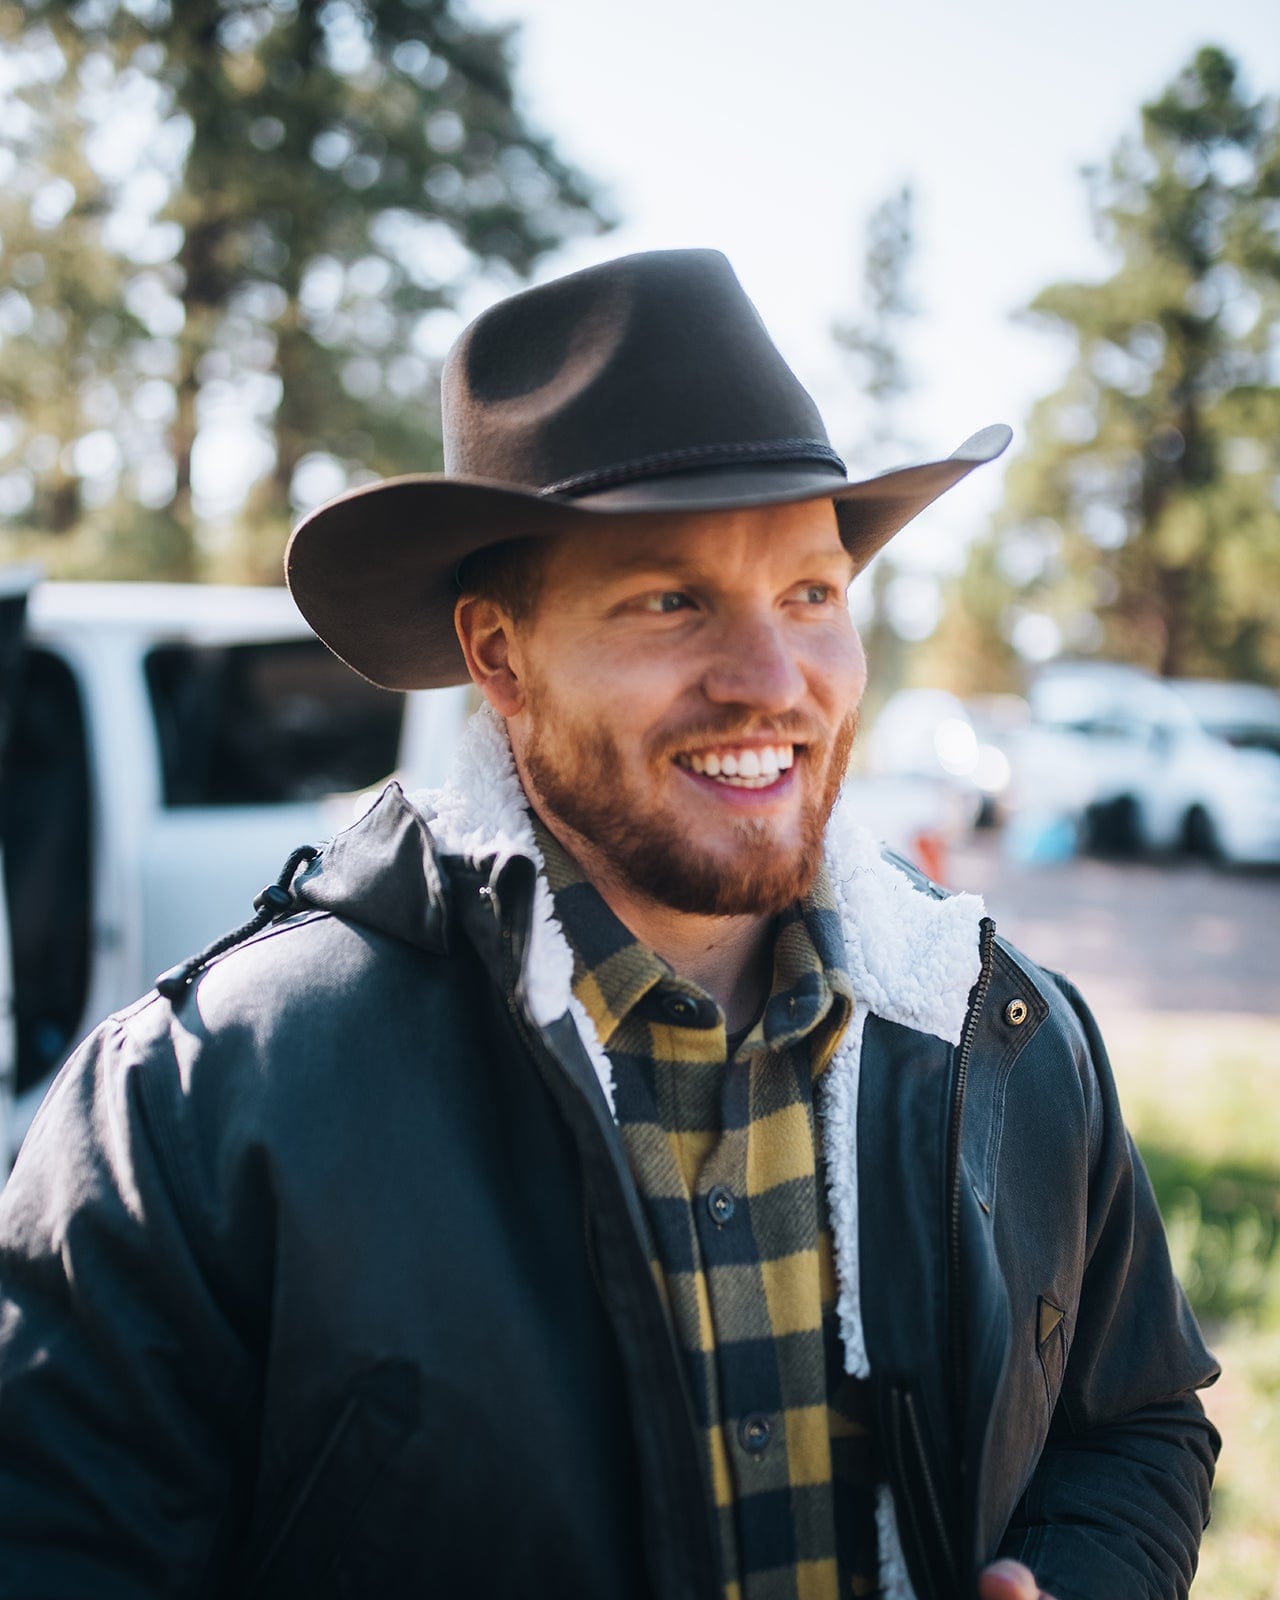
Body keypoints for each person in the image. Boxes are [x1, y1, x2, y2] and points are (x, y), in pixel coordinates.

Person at [0, 250, 1217, 1600]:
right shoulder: (192, 1106)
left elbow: (1138, 1428)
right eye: (669, 599)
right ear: (498, 656)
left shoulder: (1003, 1037)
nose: (773, 682)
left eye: (812, 593)